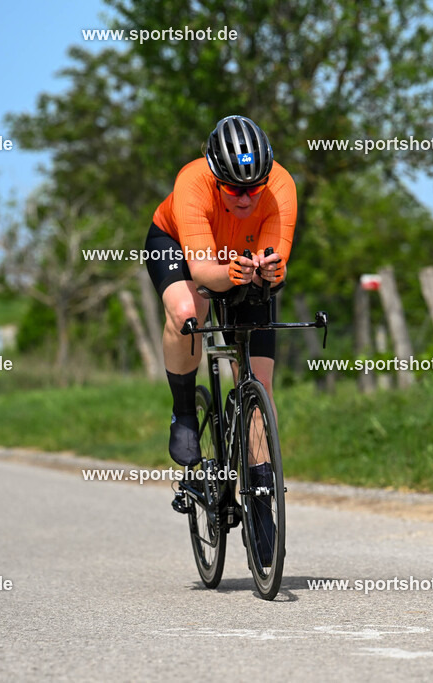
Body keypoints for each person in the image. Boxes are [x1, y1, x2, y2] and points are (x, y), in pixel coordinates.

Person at [143, 115, 294, 559]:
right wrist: (231, 272)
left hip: (242, 258)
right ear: (216, 175)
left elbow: (276, 259)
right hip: (180, 248)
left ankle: (262, 488)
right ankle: (185, 412)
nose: (246, 197)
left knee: (260, 383)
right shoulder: (192, 182)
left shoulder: (281, 187)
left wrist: (272, 270)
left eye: (255, 187)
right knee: (192, 310)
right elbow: (204, 269)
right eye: (234, 189)